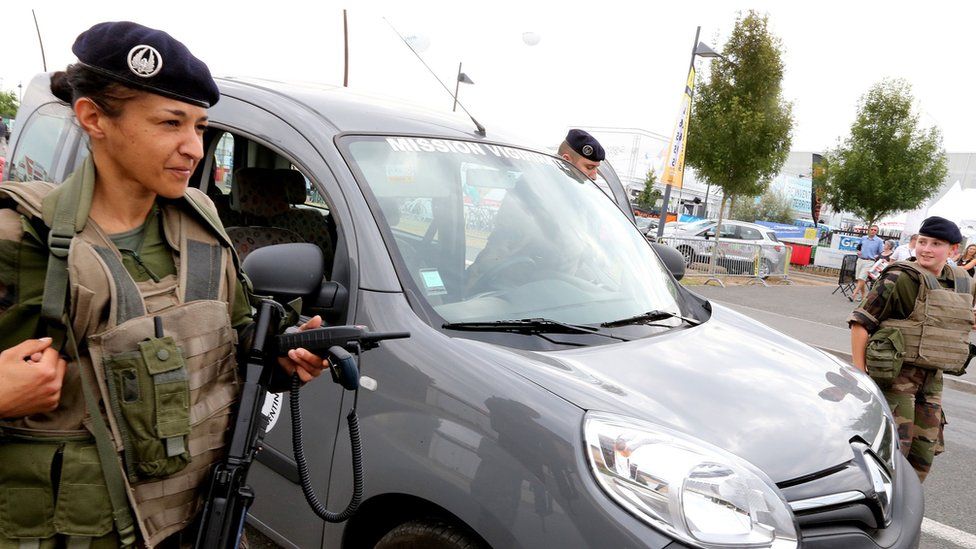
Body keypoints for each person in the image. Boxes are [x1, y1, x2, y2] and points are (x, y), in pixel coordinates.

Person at [0, 22, 329, 547]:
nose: (194, 148)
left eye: (199, 126)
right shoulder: (19, 238)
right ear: (93, 118)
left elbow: (236, 334)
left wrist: (284, 358)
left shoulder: (201, 223)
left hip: (199, 521)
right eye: (171, 123)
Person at [849, 216, 975, 482]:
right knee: (891, 452)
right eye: (922, 241)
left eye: (936, 244)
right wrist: (860, 374)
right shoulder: (899, 277)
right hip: (896, 376)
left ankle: (904, 511)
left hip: (932, 379)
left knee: (922, 455)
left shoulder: (962, 282)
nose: (926, 249)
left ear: (953, 250)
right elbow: (860, 323)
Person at [850, 224, 884, 302]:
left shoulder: (879, 241)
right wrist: (858, 251)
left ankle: (854, 294)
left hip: (870, 261)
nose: (873, 231)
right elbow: (858, 247)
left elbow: (881, 252)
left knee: (862, 277)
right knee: (860, 278)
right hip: (860, 260)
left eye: (875, 230)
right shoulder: (863, 238)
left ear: (877, 232)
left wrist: (876, 256)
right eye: (872, 229)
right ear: (869, 230)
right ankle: (863, 296)